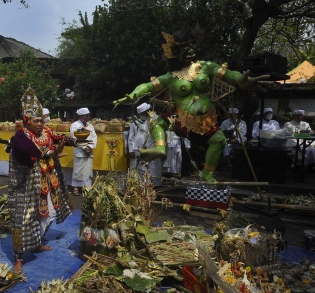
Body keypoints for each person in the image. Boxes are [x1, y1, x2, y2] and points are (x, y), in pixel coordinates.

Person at [114, 25, 268, 182]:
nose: (189, 49)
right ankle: (160, 147)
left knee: (219, 140)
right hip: (181, 118)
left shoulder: (207, 67)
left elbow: (229, 75)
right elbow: (147, 86)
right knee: (159, 124)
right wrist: (134, 95)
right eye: (183, 46)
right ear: (175, 51)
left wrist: (240, 80)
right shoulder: (171, 76)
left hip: (205, 120)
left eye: (192, 44)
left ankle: (207, 174)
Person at [8, 88, 76, 274]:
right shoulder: (21, 136)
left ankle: (37, 243)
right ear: (26, 121)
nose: (40, 124)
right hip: (26, 187)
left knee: (49, 214)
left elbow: (59, 137)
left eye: (41, 120)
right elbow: (29, 149)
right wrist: (49, 154)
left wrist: (75, 141)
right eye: (36, 121)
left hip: (47, 182)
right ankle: (19, 258)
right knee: (22, 220)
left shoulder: (45, 132)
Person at [128, 103, 163, 185]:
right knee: (138, 170)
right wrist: (131, 150)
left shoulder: (154, 122)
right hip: (138, 150)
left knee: (153, 168)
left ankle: (154, 185)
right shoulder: (135, 124)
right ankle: (137, 185)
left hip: (151, 149)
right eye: (145, 112)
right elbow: (130, 138)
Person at [70, 107, 98, 196]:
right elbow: (75, 138)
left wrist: (90, 147)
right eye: (86, 115)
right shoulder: (74, 125)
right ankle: (75, 187)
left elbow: (94, 137)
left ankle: (86, 187)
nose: (88, 117)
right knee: (78, 170)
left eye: (89, 115)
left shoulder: (90, 125)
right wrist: (84, 147)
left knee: (88, 171)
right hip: (79, 151)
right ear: (81, 116)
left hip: (89, 151)